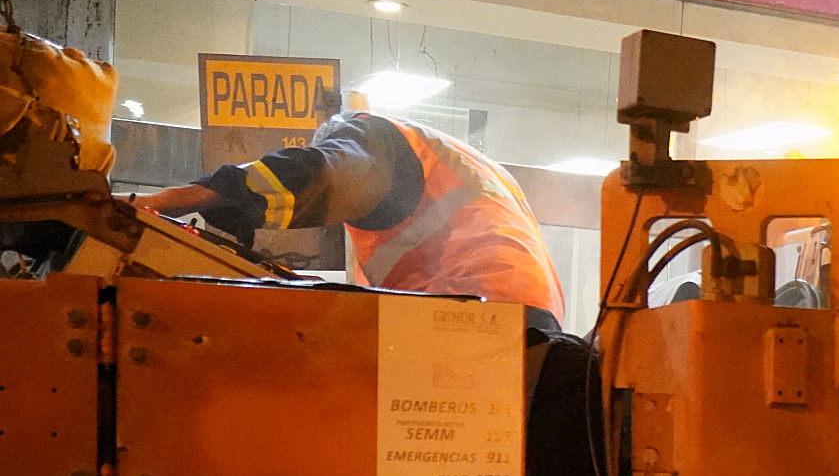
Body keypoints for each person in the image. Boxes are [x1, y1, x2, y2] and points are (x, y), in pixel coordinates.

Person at [138, 109, 565, 322]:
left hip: (476, 310)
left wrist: (173, 200)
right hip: (522, 316)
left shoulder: (374, 139)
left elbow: (319, 175)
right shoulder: (460, 164)